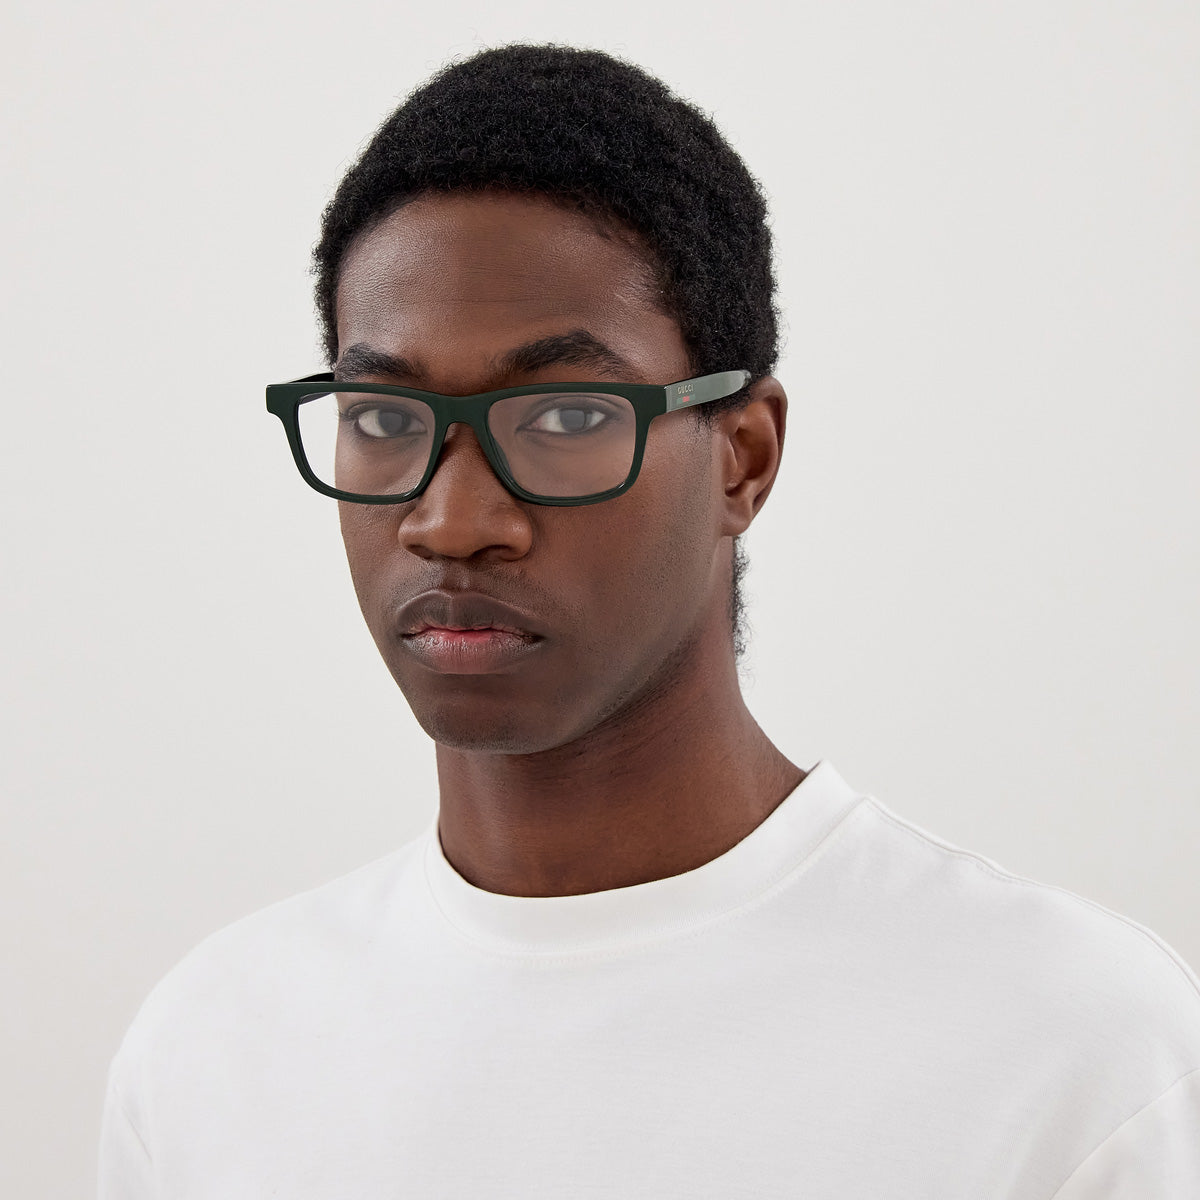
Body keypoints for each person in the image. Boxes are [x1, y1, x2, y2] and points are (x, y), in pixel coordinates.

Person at [99, 43, 1200, 1198]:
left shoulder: (1074, 1054)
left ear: (743, 457)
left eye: (566, 416)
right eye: (383, 417)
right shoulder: (210, 1057)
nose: (453, 519)